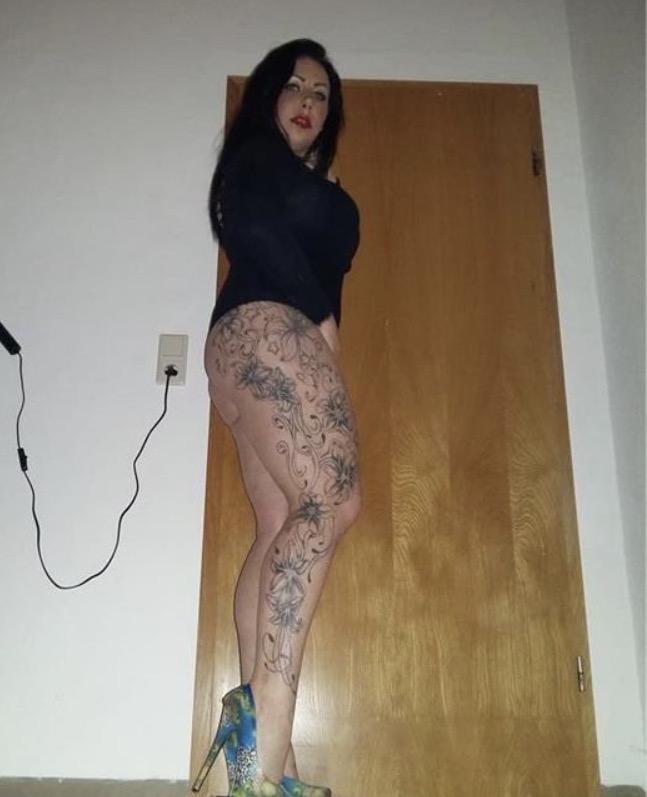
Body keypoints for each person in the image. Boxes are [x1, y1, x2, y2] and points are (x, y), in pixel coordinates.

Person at [193, 39, 361, 797]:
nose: (307, 100)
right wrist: (321, 322)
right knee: (331, 502)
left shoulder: (313, 181)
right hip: (270, 328)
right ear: (267, 96)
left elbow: (321, 268)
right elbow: (254, 229)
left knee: (277, 524)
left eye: (321, 94)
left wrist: (325, 335)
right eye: (293, 85)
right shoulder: (256, 157)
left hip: (248, 345)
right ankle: (264, 740)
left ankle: (274, 766)